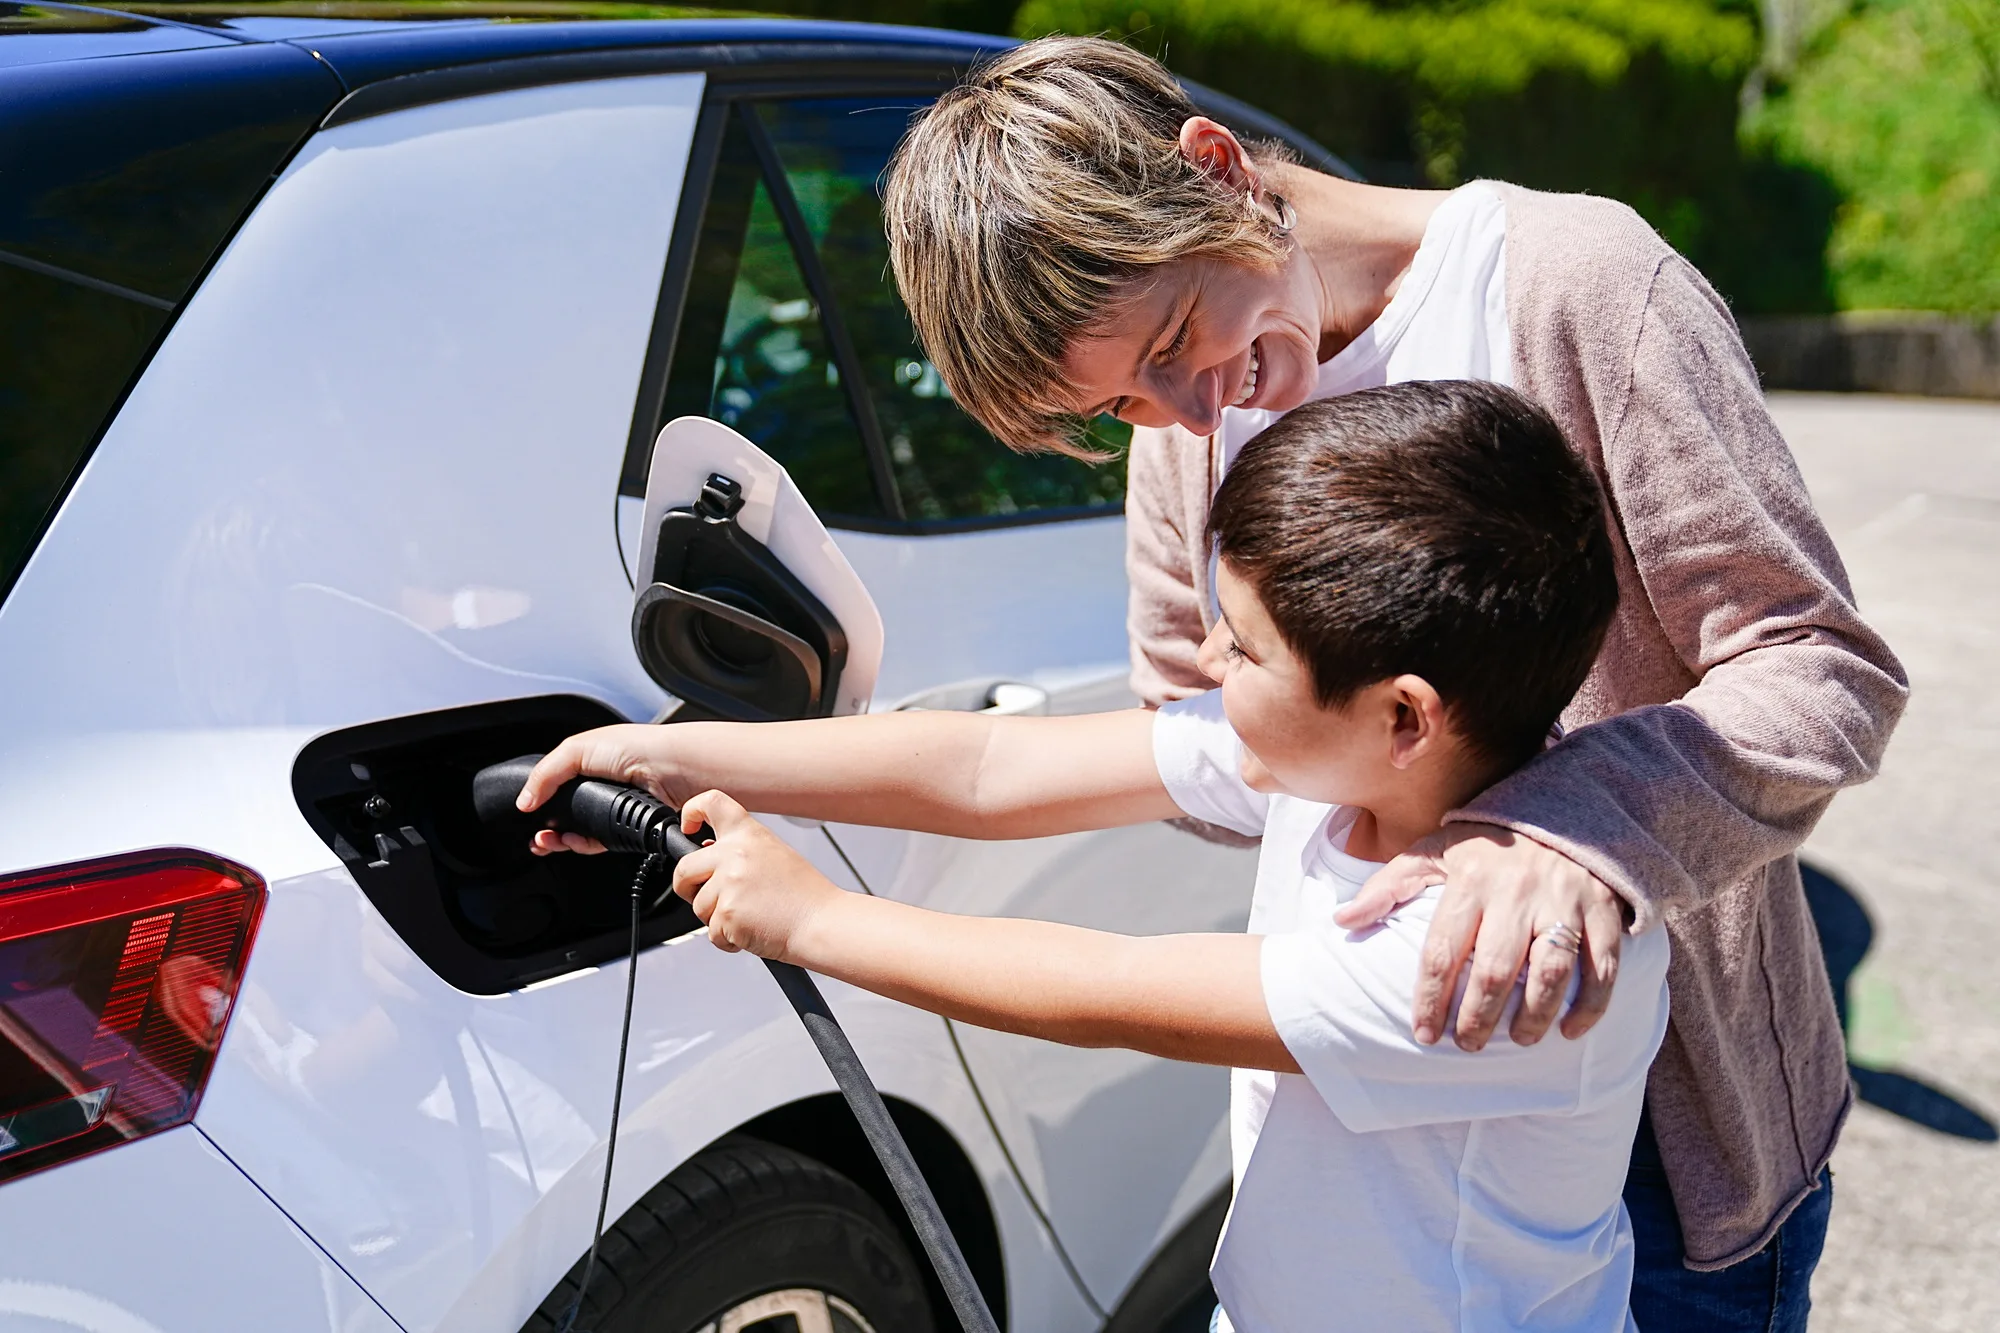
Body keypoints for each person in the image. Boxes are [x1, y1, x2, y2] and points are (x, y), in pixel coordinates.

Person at [876, 36, 1906, 1327]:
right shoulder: (1189, 436)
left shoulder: (1576, 284)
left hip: (1669, 1147)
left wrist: (1567, 825)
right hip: (1382, 1139)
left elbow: (1817, 662)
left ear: (1214, 170)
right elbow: (1216, 748)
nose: (1195, 411)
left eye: (1177, 336)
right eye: (1123, 406)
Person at [524, 382, 1667, 1331]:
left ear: (1401, 716)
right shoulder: (1329, 764)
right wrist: (668, 758)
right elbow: (990, 768)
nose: (1208, 654)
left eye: (1246, 644)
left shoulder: (1495, 954)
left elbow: (1109, 992)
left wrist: (812, 921)